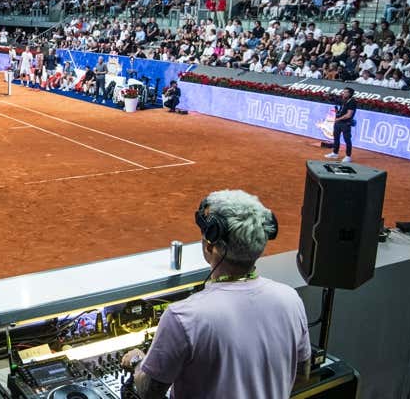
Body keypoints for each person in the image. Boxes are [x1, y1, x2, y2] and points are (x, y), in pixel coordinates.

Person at [121, 190, 309, 399]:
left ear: (209, 245)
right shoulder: (291, 300)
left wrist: (139, 360)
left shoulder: (183, 317)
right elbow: (302, 374)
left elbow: (148, 392)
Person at [325, 87, 357, 163]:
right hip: (338, 122)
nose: (343, 93)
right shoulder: (344, 100)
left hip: (346, 123)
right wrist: (330, 97)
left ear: (350, 94)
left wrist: (338, 119)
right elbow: (336, 102)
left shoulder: (352, 101)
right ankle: (335, 153)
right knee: (336, 138)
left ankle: (348, 156)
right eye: (343, 92)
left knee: (347, 140)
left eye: (345, 92)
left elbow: (349, 115)